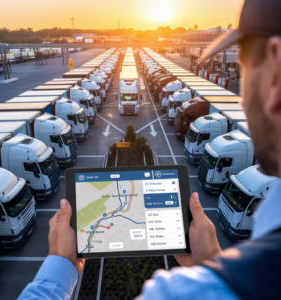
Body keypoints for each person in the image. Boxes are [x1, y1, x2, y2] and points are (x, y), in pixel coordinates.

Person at [18, 0, 281, 299]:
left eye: (246, 71)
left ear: (275, 76)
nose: (242, 97)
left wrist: (61, 266)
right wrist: (210, 265)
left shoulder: (183, 293)